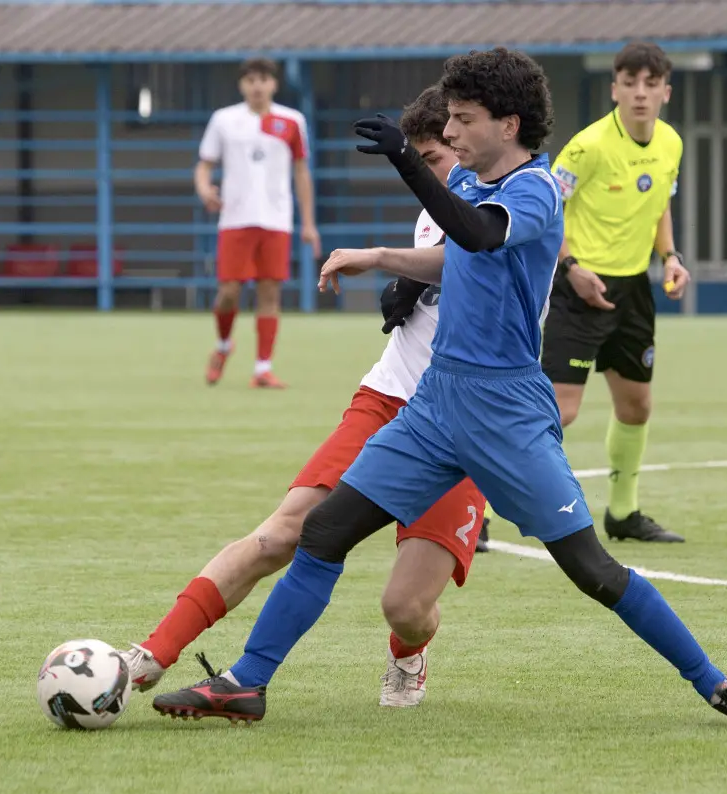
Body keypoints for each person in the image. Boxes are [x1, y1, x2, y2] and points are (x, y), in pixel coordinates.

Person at [152, 48, 727, 730]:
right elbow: (454, 249)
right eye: (446, 123)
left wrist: (405, 160)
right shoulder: (472, 184)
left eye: (463, 120)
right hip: (435, 405)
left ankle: (717, 684)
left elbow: (479, 237)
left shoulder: (537, 192)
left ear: (508, 124)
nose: (449, 135)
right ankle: (246, 682)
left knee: (593, 570)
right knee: (324, 532)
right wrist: (383, 259)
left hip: (506, 413)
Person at [126, 87, 484, 718]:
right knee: (280, 534)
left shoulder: (505, 196)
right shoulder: (437, 204)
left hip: (465, 425)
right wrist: (412, 280)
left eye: (435, 157)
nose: (433, 172)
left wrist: (389, 264)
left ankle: (408, 652)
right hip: (389, 399)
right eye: (426, 159)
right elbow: (440, 248)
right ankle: (152, 654)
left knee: (405, 607)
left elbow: (476, 252)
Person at [544, 42, 690, 543]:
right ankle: (477, 507)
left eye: (651, 84)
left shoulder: (671, 144)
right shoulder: (586, 148)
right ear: (615, 90)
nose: (640, 94)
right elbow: (546, 211)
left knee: (636, 406)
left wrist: (670, 257)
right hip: (579, 286)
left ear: (666, 92)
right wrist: (571, 266)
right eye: (630, 83)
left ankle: (623, 514)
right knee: (558, 411)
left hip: (633, 291)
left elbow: (660, 205)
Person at [196, 56, 322, 389]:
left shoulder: (292, 121)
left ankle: (262, 368)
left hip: (276, 219)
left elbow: (301, 172)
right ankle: (223, 346)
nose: (257, 86)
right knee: (228, 293)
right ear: (242, 85)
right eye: (250, 80)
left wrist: (308, 222)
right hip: (235, 219)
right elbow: (204, 166)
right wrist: (204, 188)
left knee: (269, 291)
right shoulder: (224, 120)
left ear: (274, 84)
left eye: (263, 79)